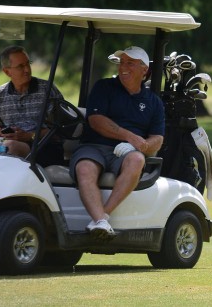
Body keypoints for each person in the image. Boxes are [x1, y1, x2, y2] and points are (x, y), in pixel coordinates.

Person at [69, 46, 165, 239]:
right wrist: (130, 136)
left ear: (144, 69)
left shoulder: (153, 102)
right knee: (85, 168)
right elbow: (96, 121)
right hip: (94, 146)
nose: (123, 67)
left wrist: (141, 145)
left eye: (130, 63)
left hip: (127, 153)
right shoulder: (104, 87)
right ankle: (101, 221)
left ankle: (102, 217)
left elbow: (158, 139)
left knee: (137, 160)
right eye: (121, 63)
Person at [0, 45, 65, 162]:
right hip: (7, 146)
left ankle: (1, 179)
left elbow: (61, 129)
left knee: (10, 146)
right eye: (20, 66)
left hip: (45, 148)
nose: (27, 69)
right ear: (7, 72)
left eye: (27, 63)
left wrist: (30, 135)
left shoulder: (47, 89)